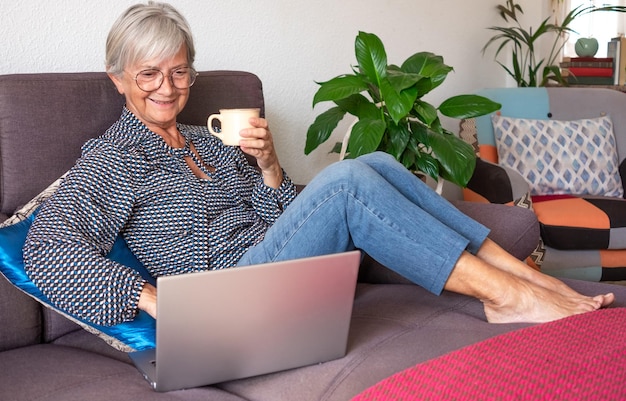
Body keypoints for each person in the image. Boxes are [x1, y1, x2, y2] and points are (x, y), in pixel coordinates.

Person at [23, 1, 614, 328]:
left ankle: (526, 277)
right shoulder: (114, 156)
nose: (166, 87)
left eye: (178, 71)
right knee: (348, 178)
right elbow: (47, 248)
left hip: (276, 265)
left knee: (378, 158)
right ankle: (506, 295)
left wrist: (271, 167)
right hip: (223, 299)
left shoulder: (209, 138)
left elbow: (280, 217)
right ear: (118, 79)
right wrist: (153, 301)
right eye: (147, 73)